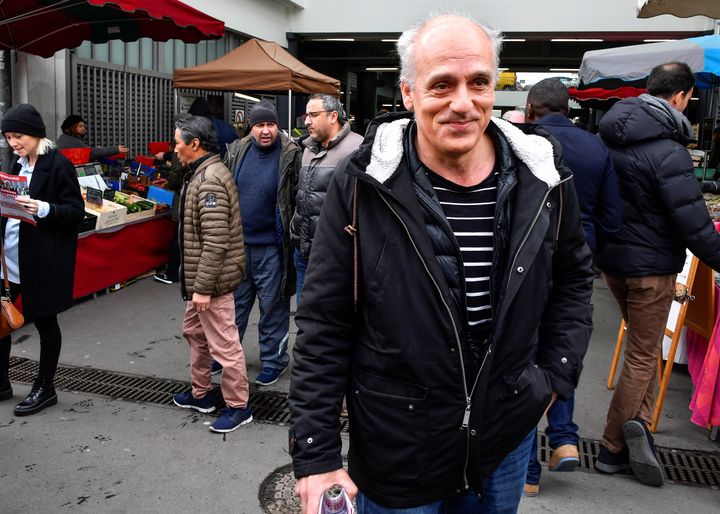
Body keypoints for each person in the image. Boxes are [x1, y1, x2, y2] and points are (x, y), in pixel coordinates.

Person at [289, 14, 594, 514]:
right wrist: (317, 453)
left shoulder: (545, 178)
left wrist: (554, 377)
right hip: (398, 449)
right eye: (441, 85)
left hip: (504, 439)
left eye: (478, 82)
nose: (462, 102)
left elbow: (573, 280)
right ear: (408, 93)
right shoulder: (363, 183)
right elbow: (325, 320)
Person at [594, 62, 720, 487]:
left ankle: (640, 428)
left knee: (641, 348)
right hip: (652, 269)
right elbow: (696, 226)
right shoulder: (669, 151)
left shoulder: (607, 138)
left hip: (613, 263)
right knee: (644, 354)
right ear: (682, 97)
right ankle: (613, 449)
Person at [523, 78, 623, 495]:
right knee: (562, 347)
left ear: (531, 109)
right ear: (569, 108)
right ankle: (563, 438)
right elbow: (614, 215)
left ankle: (528, 473)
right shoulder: (598, 148)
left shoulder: (523, 145)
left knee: (523, 356)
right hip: (576, 265)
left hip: (527, 264)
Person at [170, 115, 252, 434]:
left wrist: (203, 288)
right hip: (201, 282)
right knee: (195, 332)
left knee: (224, 345)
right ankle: (201, 394)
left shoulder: (211, 180)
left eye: (178, 141)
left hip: (211, 284)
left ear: (195, 144)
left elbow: (216, 242)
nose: (174, 148)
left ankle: (238, 406)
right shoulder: (201, 173)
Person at [0, 103, 84, 415]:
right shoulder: (15, 162)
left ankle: (45, 386)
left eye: (18, 135)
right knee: (2, 322)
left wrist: (44, 208)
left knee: (46, 323)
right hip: (8, 260)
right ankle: (2, 381)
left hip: (41, 259)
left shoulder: (58, 164)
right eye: (8, 137)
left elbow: (76, 212)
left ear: (36, 133)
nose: (13, 143)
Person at [224, 101, 301, 386]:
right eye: (259, 125)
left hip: (273, 246)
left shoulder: (292, 155)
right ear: (251, 127)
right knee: (235, 306)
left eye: (270, 124)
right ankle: (226, 357)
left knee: (273, 306)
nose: (265, 131)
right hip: (239, 245)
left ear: (277, 126)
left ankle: (274, 360)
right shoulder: (236, 151)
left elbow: (297, 198)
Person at [290, 94, 362, 303]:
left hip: (335, 254)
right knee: (304, 315)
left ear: (333, 116)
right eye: (306, 115)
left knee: (331, 318)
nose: (306, 121)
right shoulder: (308, 149)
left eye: (313, 115)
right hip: (304, 252)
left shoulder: (357, 149)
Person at [56, 114, 129, 161]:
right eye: (80, 126)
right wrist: (116, 149)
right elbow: (91, 153)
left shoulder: (64, 138)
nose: (83, 128)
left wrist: (96, 149)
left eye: (84, 126)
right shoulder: (71, 140)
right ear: (71, 127)